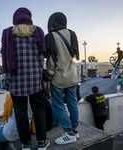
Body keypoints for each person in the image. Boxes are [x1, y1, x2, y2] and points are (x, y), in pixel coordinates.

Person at [1, 8, 49, 150]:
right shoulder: (38, 31)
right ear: (29, 17)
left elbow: (4, 54)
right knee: (39, 110)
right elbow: (43, 53)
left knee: (20, 113)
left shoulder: (8, 33)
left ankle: (25, 144)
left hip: (17, 81)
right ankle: (42, 142)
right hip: (35, 79)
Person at [45, 12, 80, 145]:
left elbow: (51, 60)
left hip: (58, 78)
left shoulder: (50, 36)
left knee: (59, 105)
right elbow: (73, 55)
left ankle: (68, 133)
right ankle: (75, 130)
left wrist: (48, 78)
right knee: (73, 103)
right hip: (72, 76)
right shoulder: (72, 33)